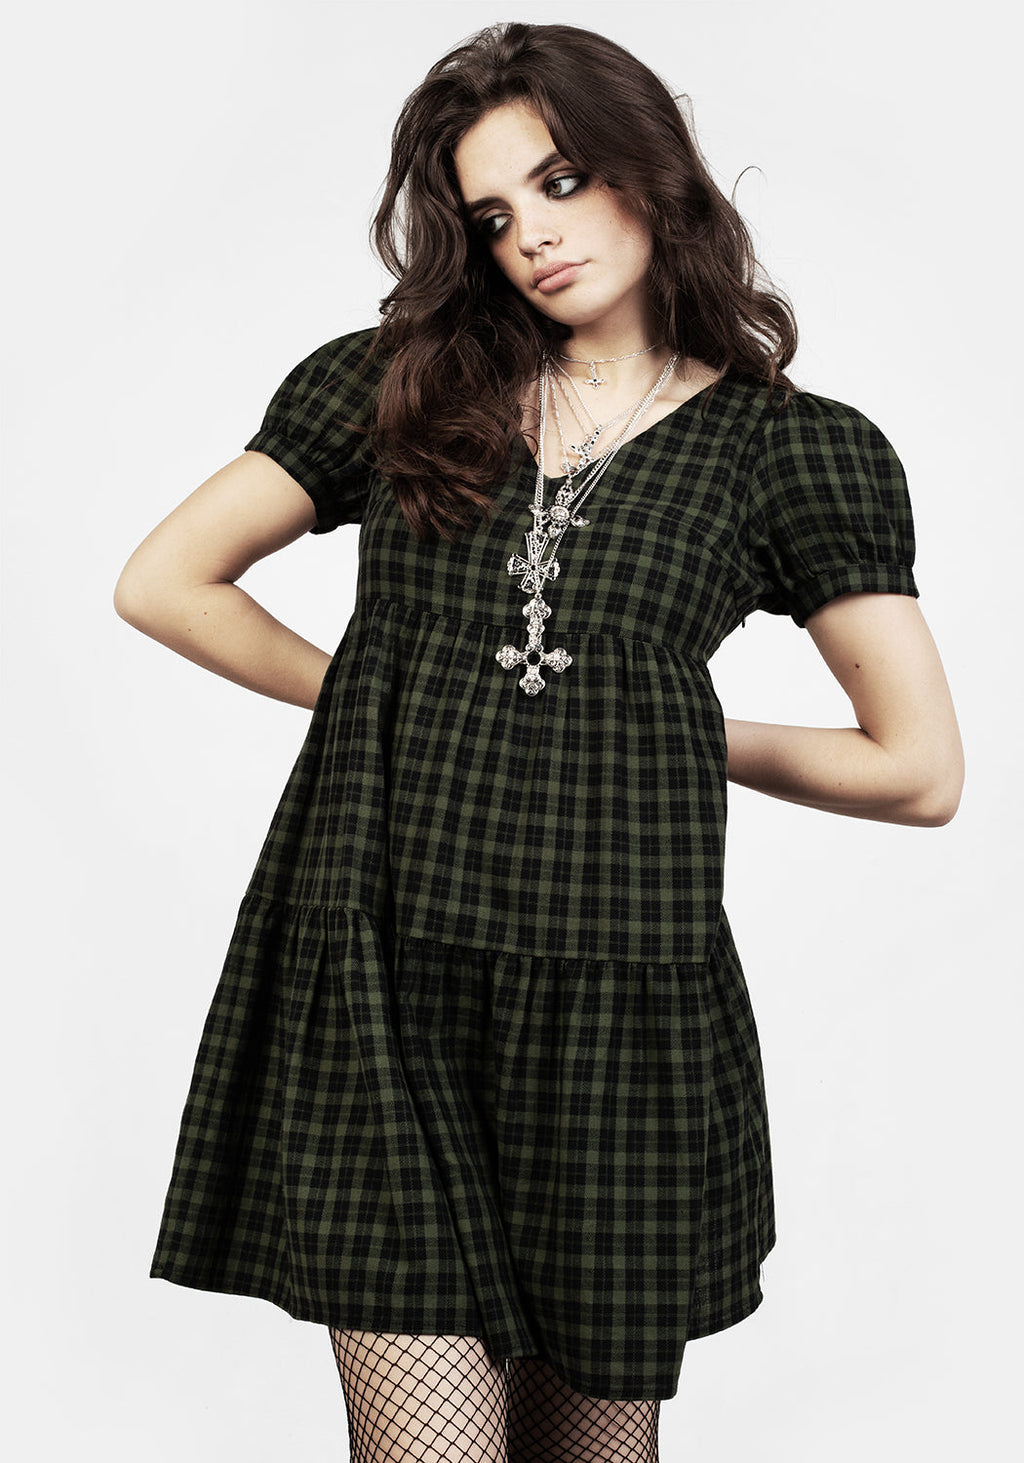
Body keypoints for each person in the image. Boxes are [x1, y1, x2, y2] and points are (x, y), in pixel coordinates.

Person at [113, 20, 964, 1463]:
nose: (533, 239)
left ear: (651, 168)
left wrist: (671, 729)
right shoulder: (395, 382)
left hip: (617, 1009)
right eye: (494, 217)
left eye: (561, 183)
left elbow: (919, 770)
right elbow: (164, 583)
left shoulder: (795, 450)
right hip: (381, 970)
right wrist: (386, 697)